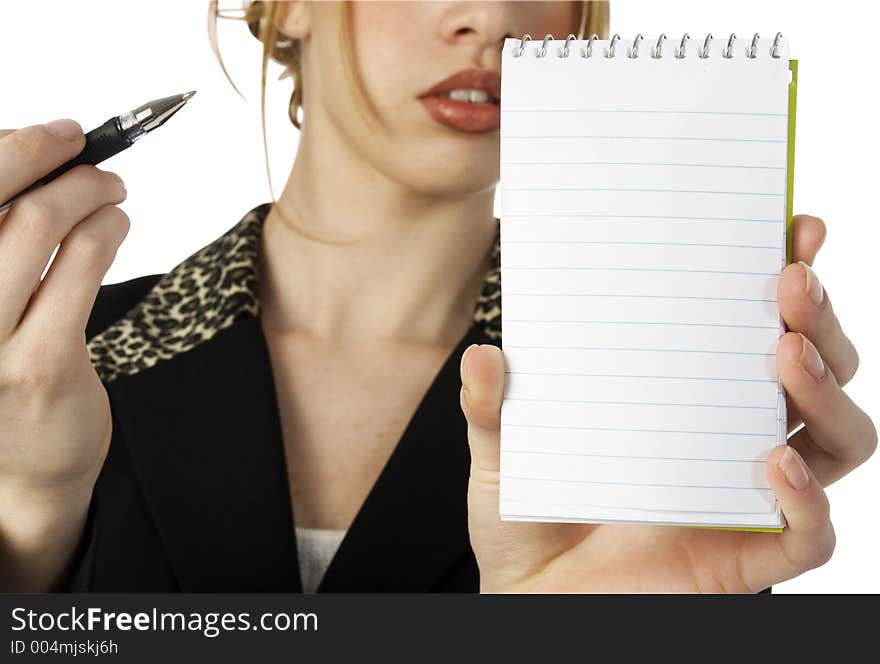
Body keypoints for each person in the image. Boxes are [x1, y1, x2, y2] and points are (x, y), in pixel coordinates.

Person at [0, 1, 874, 593]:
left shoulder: (657, 407)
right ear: (286, 5)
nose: (491, 17)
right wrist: (28, 524)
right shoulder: (46, 360)